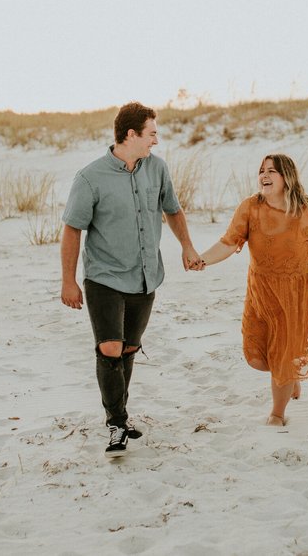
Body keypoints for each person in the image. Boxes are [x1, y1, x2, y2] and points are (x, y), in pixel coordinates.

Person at [60, 101, 203, 458]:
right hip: (104, 278)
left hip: (145, 276)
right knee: (109, 347)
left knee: (128, 350)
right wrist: (68, 280)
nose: (156, 140)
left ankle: (119, 417)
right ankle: (116, 423)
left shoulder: (157, 169)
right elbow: (72, 229)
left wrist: (187, 246)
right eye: (152, 133)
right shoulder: (90, 177)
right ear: (131, 135)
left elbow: (172, 209)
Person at [199, 153, 308, 426]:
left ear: (287, 177)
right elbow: (229, 243)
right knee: (258, 357)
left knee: (284, 355)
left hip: (295, 294)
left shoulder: (307, 212)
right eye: (262, 170)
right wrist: (202, 260)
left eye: (272, 171)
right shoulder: (250, 208)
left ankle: (277, 412)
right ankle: (290, 376)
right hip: (261, 291)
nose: (264, 175)